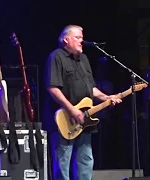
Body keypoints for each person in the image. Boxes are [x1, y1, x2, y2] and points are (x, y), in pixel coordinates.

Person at [43, 25, 122, 180]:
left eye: (82, 38)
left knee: (86, 160)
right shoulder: (56, 57)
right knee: (63, 162)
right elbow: (52, 88)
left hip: (84, 119)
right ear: (66, 39)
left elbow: (90, 88)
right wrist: (72, 110)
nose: (81, 41)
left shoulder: (84, 59)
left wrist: (107, 98)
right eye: (78, 38)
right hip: (64, 119)